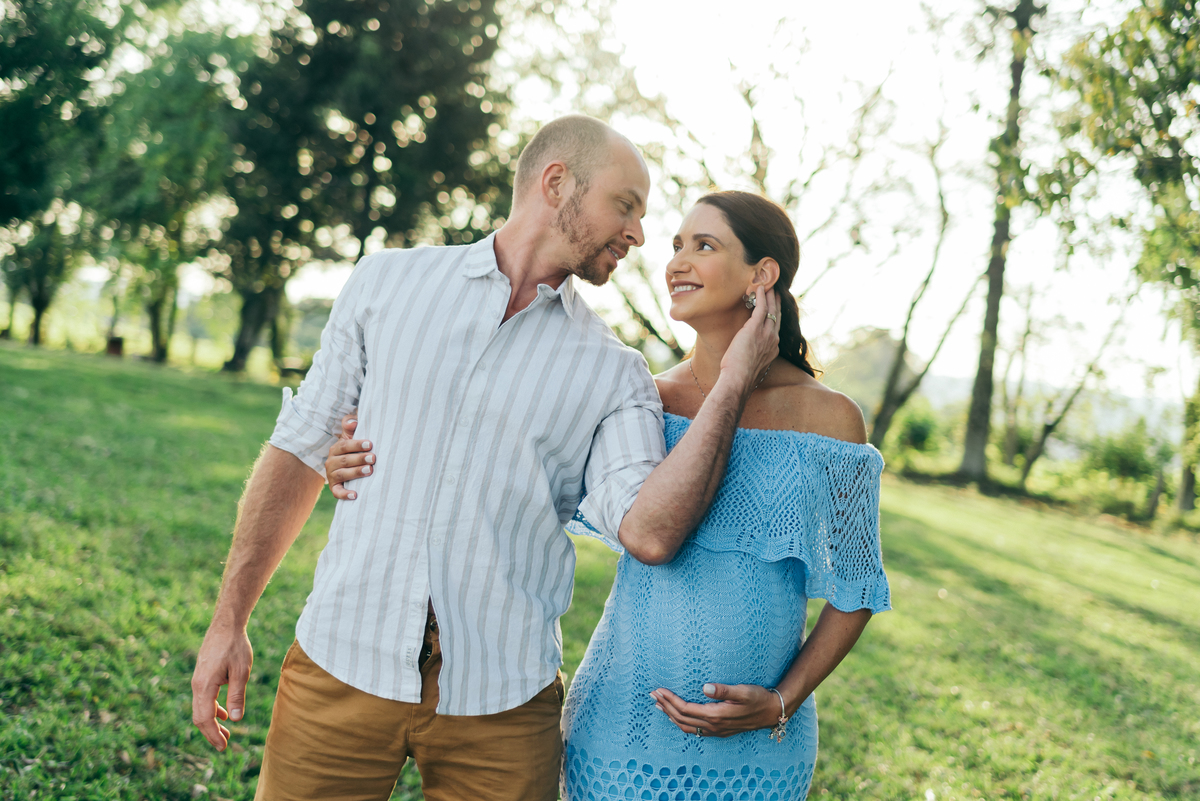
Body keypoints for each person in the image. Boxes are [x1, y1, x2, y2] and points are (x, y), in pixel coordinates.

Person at [189, 115, 779, 801]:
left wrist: (735, 379)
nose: (638, 234)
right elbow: (299, 445)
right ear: (556, 183)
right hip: (340, 661)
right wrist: (229, 621)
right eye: (625, 205)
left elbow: (649, 531)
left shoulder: (616, 373)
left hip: (505, 699)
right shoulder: (386, 284)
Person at [331, 191, 891, 800]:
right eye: (676, 245)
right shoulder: (643, 398)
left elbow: (856, 589)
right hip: (620, 728)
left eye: (704, 245)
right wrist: (359, 457)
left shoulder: (831, 420)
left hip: (761, 747)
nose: (676, 260)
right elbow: (512, 465)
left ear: (763, 274)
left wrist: (783, 701)